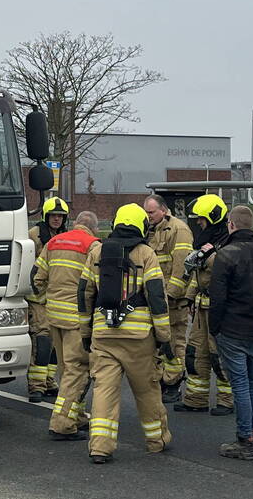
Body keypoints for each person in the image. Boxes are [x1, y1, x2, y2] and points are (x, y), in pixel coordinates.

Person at [78, 203, 173, 463]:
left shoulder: (96, 251)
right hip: (139, 339)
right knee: (147, 391)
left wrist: (85, 332)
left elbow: (84, 293)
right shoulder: (146, 253)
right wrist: (164, 338)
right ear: (141, 225)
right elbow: (156, 297)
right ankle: (156, 440)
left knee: (104, 391)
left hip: (103, 335)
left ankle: (99, 447)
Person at [208, 205, 253, 460]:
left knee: (239, 385)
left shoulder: (225, 256)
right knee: (251, 384)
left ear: (231, 225)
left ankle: (245, 440)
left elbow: (217, 298)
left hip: (231, 330)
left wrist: (215, 328)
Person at [32, 210, 101, 440]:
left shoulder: (53, 241)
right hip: (76, 319)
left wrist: (46, 302)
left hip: (53, 317)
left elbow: (37, 278)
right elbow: (97, 283)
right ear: (93, 227)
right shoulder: (92, 245)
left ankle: (77, 417)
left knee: (65, 369)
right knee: (77, 371)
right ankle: (61, 424)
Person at [174, 194, 234, 416]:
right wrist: (189, 297)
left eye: (202, 219)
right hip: (201, 308)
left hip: (219, 310)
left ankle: (227, 401)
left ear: (213, 218)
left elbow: (219, 279)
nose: (199, 223)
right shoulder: (207, 245)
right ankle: (196, 399)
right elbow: (199, 276)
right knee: (195, 353)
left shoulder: (226, 246)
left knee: (219, 355)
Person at [144, 194, 194, 402]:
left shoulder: (178, 229)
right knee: (159, 343)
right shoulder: (150, 230)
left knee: (174, 341)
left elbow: (182, 266)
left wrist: (171, 294)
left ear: (163, 210)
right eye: (146, 213)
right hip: (156, 299)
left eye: (152, 212)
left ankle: (174, 382)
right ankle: (164, 379)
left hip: (172, 300)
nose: (148, 217)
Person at [26, 197, 68, 401]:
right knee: (42, 340)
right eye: (53, 216)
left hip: (57, 298)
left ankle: (49, 381)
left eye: (60, 216)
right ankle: (36, 386)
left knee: (54, 343)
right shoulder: (34, 235)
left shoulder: (65, 236)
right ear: (46, 216)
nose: (57, 219)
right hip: (37, 298)